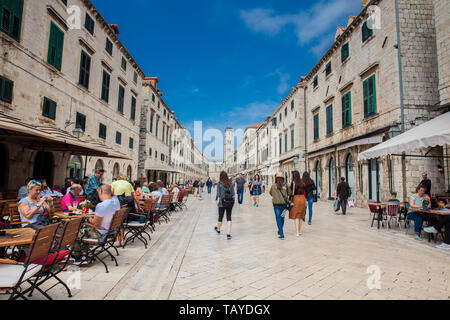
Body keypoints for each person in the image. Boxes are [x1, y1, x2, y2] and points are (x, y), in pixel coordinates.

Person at [72, 185, 121, 263]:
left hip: (100, 233)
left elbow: (95, 224)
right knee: (85, 231)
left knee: (76, 233)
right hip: (110, 232)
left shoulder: (101, 205)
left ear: (101, 192)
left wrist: (87, 217)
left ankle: (77, 256)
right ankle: (84, 253)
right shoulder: (115, 203)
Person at [269, 173, 291, 240]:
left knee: (278, 218)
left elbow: (270, 193)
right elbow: (289, 193)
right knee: (282, 218)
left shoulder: (273, 186)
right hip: (284, 205)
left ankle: (281, 233)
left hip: (276, 205)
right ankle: (280, 231)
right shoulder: (286, 185)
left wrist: (276, 196)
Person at [215, 171, 235, 240]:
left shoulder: (219, 184)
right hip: (230, 202)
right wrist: (233, 200)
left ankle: (218, 229)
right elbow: (233, 193)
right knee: (229, 217)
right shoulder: (231, 183)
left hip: (221, 203)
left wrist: (216, 199)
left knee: (220, 217)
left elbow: (218, 194)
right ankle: (228, 234)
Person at [289, 171, 306, 237]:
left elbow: (292, 193)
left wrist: (290, 199)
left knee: (296, 215)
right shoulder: (302, 182)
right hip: (303, 198)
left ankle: (297, 232)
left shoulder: (293, 183)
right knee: (301, 216)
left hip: (296, 198)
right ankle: (299, 231)